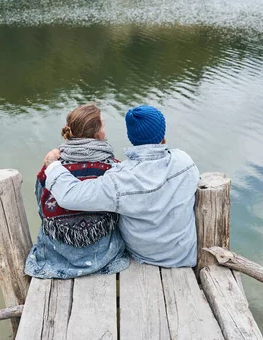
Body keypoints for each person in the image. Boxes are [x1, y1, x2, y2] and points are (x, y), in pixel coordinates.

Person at [42, 105, 199, 268]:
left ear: (131, 136)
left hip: (143, 258)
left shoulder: (120, 178)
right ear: (161, 132)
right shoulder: (184, 161)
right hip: (184, 256)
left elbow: (70, 196)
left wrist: (52, 165)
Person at [25, 104, 129, 279]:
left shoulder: (50, 167)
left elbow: (41, 209)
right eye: (103, 124)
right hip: (104, 254)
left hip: (57, 254)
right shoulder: (114, 167)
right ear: (98, 133)